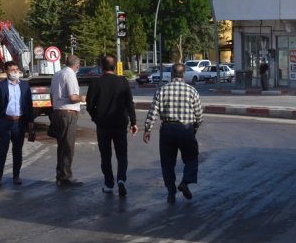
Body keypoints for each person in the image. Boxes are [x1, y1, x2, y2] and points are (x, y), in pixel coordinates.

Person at [143, 63, 204, 203]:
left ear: (171, 74)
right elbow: (199, 115)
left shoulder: (162, 90)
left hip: (167, 130)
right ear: (183, 75)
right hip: (186, 129)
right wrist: (194, 128)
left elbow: (153, 111)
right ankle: (185, 182)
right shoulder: (192, 91)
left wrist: (148, 129)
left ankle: (171, 191)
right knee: (191, 158)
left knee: (167, 162)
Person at [86, 55, 138, 197]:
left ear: (101, 67)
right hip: (120, 123)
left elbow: (89, 105)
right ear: (115, 66)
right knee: (122, 154)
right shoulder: (123, 81)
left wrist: (96, 118)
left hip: (103, 125)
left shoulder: (95, 83)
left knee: (105, 155)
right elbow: (129, 103)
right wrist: (133, 122)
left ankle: (109, 184)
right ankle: (121, 179)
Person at [0, 61, 35, 186]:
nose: (15, 72)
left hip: (19, 123)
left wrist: (30, 122)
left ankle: (16, 176)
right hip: (5, 122)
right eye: (12, 70)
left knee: (17, 151)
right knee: (3, 149)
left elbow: (29, 105)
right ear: (6, 71)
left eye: (16, 69)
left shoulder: (25, 86)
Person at [50, 54, 83, 187]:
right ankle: (65, 176)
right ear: (77, 65)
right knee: (68, 146)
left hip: (58, 111)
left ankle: (60, 174)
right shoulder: (70, 75)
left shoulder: (57, 74)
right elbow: (73, 97)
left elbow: (52, 95)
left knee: (61, 146)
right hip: (68, 114)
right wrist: (83, 98)